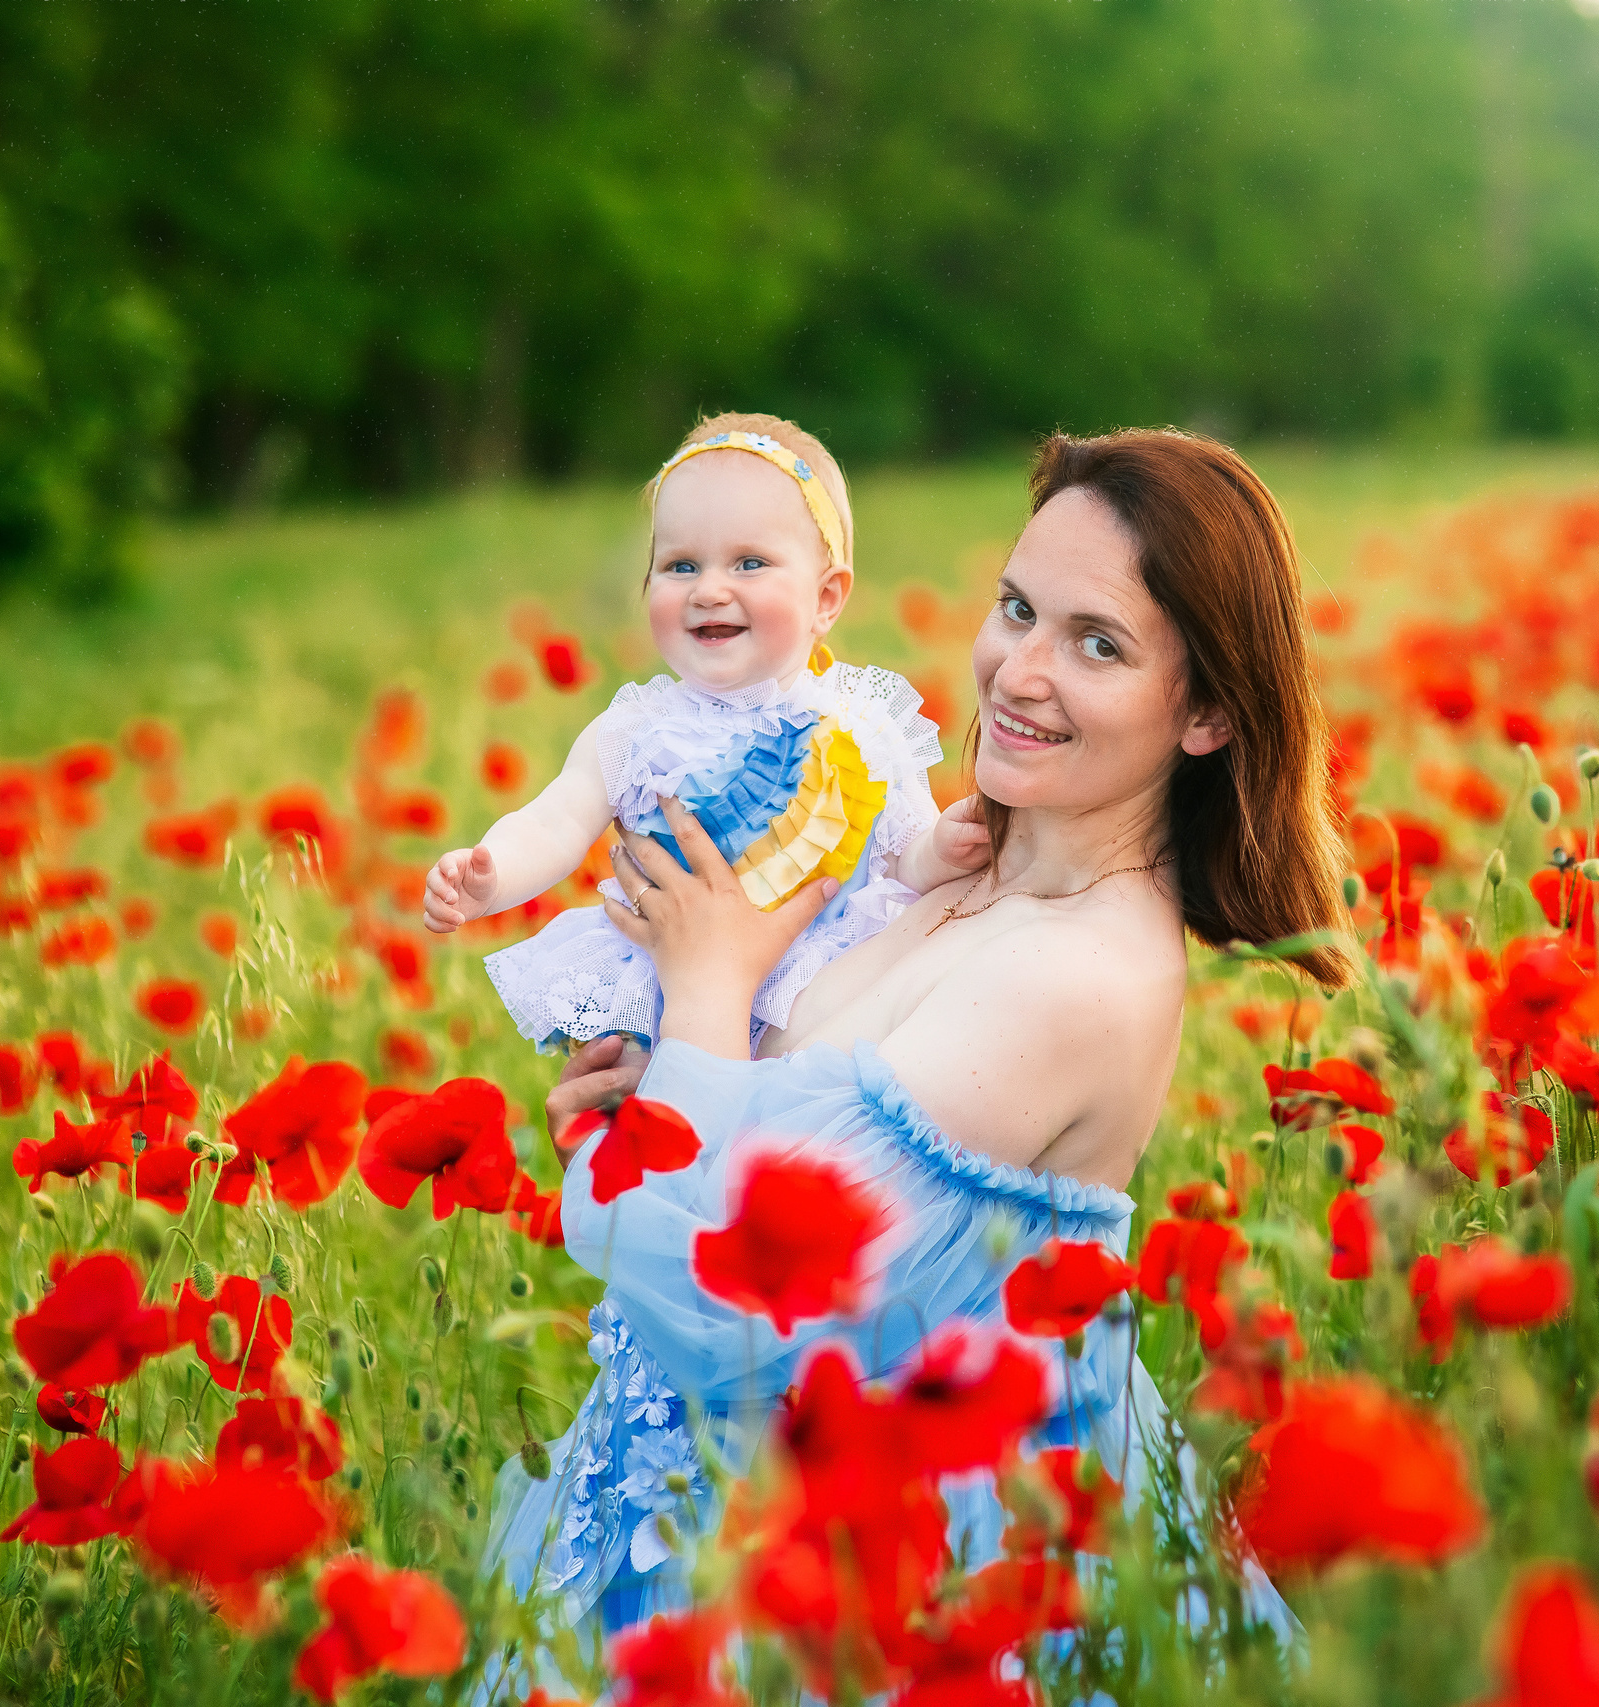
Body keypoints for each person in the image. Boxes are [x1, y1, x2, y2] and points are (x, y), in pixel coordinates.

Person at [478, 428, 1353, 1696]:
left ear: (1209, 711)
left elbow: (730, 1309)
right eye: (1016, 610)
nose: (1018, 672)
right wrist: (667, 1066)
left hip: (911, 1578)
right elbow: (747, 1141)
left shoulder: (1080, 973)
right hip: (747, 1513)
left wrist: (711, 984)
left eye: (1096, 644)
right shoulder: (960, 866)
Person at [421, 410, 991, 1051]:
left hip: (817, 999)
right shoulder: (639, 729)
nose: (710, 590)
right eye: (682, 566)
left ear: (826, 598)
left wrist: (941, 848)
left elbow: (900, 855)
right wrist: (489, 874)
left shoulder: (860, 726)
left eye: (750, 563)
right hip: (668, 1000)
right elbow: (555, 821)